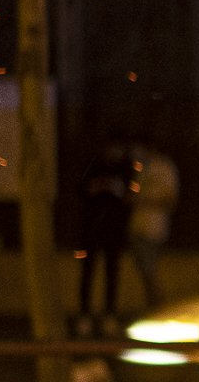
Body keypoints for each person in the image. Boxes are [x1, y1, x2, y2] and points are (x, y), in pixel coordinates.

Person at [72, 142, 134, 329]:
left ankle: (109, 315)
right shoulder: (93, 166)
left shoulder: (125, 169)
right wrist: (97, 187)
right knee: (88, 273)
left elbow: (130, 197)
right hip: (91, 228)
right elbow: (81, 189)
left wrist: (119, 191)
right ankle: (84, 315)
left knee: (111, 273)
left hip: (113, 230)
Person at [127, 132, 182, 314]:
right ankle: (154, 307)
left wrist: (147, 200)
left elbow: (170, 199)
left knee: (150, 270)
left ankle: (158, 307)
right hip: (138, 226)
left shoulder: (165, 167)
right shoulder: (141, 167)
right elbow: (133, 193)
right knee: (144, 270)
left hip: (155, 227)